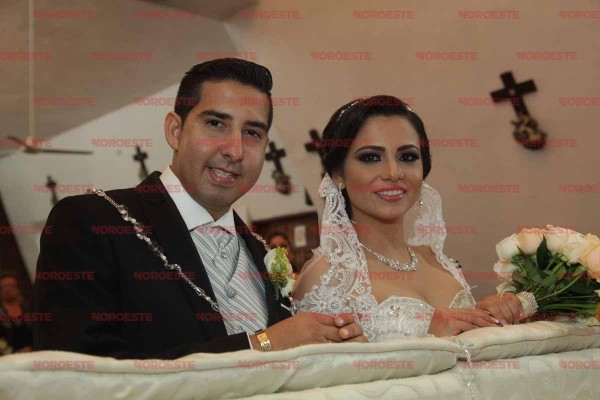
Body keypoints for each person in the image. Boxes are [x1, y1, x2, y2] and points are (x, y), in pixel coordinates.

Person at [33, 59, 365, 359]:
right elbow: (75, 374)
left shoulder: (263, 252)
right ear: (175, 131)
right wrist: (262, 344)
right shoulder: (92, 222)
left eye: (252, 132)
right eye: (216, 124)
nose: (235, 150)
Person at [292, 96, 523, 341]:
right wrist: (424, 342)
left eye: (407, 157)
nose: (393, 173)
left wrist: (485, 317)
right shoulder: (328, 277)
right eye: (370, 157)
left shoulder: (440, 262)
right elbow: (320, 364)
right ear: (338, 174)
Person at [0, 272, 33, 353]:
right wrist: (13, 352)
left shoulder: (29, 308)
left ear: (18, 288)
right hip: (9, 357)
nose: (7, 289)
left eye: (11, 285)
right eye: (4, 286)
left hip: (36, 353)